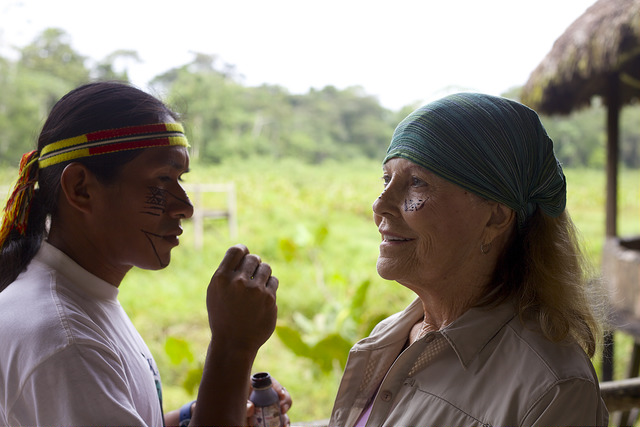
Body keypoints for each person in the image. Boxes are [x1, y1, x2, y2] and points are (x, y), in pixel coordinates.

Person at [0, 81, 290, 426]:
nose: (186, 207)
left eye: (180, 178)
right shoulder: (66, 343)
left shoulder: (78, 302)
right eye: (163, 179)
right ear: (81, 188)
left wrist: (196, 413)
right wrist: (233, 348)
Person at [328, 93, 608, 426]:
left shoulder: (551, 389)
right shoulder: (389, 337)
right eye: (386, 179)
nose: (380, 205)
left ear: (495, 218)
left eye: (416, 182)